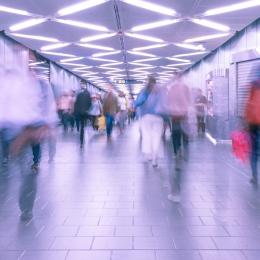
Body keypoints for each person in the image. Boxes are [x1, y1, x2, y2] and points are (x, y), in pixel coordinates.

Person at [135, 76, 164, 167]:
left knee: (147, 136)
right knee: (156, 137)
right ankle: (154, 160)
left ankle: (149, 155)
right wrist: (166, 119)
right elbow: (165, 104)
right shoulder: (160, 91)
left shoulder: (145, 90)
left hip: (146, 116)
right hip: (158, 116)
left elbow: (138, 102)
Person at [244, 76, 260, 184]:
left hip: (254, 125)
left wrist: (246, 123)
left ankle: (255, 176)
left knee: (253, 151)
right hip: (254, 125)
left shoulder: (252, 89)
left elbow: (247, 107)